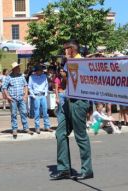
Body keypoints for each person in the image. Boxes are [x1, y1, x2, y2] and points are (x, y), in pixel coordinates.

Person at [50, 39, 93, 181]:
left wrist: (68, 67)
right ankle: (64, 169)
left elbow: (83, 81)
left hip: (79, 102)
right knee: (60, 133)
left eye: (65, 49)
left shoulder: (83, 62)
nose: (64, 52)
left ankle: (87, 170)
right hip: (68, 100)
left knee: (80, 136)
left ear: (71, 50)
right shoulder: (69, 62)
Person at [2, 62, 33, 139]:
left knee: (24, 113)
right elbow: (4, 87)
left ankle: (26, 128)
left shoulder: (21, 76)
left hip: (21, 97)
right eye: (18, 68)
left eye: (19, 68)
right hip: (13, 99)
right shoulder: (9, 77)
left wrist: (25, 95)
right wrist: (8, 96)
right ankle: (14, 129)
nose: (19, 69)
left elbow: (25, 85)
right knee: (14, 114)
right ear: (14, 69)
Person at [28, 65, 53, 134]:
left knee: (45, 111)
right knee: (37, 112)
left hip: (43, 95)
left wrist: (45, 93)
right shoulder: (31, 77)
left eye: (41, 70)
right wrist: (33, 96)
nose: (41, 72)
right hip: (36, 96)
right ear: (36, 71)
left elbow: (46, 85)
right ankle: (37, 127)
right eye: (40, 70)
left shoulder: (44, 76)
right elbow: (29, 87)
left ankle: (47, 126)